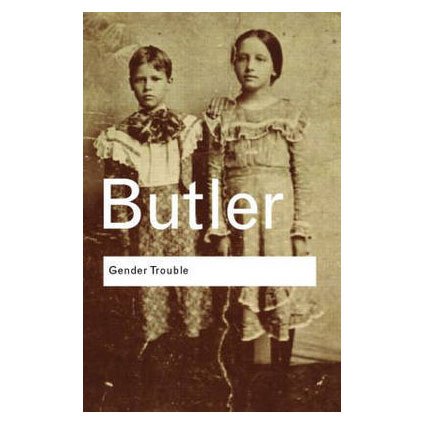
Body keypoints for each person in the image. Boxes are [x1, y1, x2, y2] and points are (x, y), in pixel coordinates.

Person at [204, 29, 323, 410]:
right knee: (242, 303)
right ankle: (242, 395)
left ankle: (280, 389)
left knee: (281, 299)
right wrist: (219, 228)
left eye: (260, 58)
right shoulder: (222, 114)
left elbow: (302, 176)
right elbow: (214, 176)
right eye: (242, 57)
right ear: (233, 63)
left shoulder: (288, 114)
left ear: (274, 67)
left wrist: (299, 230)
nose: (249, 66)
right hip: (241, 225)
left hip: (278, 226)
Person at [94, 45, 212, 359]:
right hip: (145, 222)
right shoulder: (119, 136)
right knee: (151, 285)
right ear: (131, 83)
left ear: (169, 81)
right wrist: (124, 234)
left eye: (156, 79)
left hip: (182, 218)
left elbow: (201, 180)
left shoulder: (188, 127)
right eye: (140, 79)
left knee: (189, 281)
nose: (148, 86)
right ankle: (157, 358)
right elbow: (118, 192)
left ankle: (193, 353)